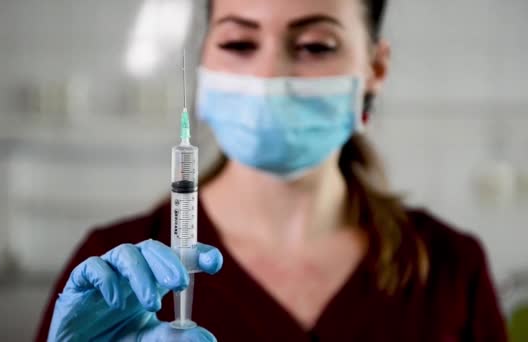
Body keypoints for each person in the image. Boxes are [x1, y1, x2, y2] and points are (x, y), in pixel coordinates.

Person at [36, 0, 508, 340]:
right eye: (239, 41)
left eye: (316, 45)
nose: (268, 77)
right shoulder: (115, 276)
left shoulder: (450, 270)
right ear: (204, 62)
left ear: (375, 69)